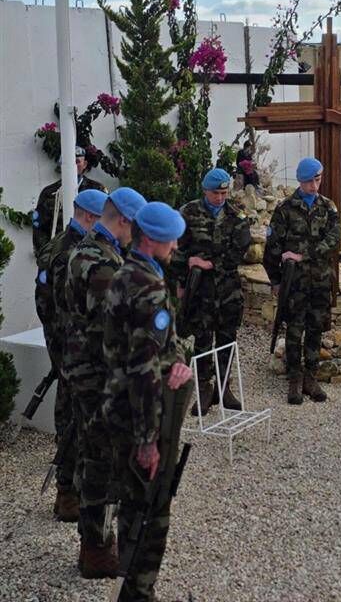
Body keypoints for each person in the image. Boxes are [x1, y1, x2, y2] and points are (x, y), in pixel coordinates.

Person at [103, 201, 192, 602]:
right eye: (172, 238)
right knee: (151, 511)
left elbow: (144, 353)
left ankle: (136, 586)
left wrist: (174, 360)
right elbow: (142, 369)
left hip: (119, 405)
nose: (175, 245)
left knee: (133, 501)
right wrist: (148, 439)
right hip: (141, 414)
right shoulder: (151, 289)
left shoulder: (126, 272)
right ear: (154, 240)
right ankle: (139, 592)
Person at [64, 187, 146, 578]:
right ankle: (95, 547)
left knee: (98, 454)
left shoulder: (104, 253)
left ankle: (97, 539)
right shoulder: (97, 263)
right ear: (124, 221)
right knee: (99, 458)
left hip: (97, 369)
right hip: (94, 375)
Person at [34, 188, 107, 521]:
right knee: (72, 416)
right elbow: (64, 306)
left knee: (74, 413)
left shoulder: (58, 244)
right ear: (90, 217)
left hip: (64, 344)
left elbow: (44, 304)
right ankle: (67, 492)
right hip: (71, 348)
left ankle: (72, 488)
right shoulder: (71, 252)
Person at [171, 168, 251, 416]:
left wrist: (211, 263)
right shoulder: (188, 213)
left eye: (224, 192)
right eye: (216, 193)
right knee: (203, 341)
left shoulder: (236, 216)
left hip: (227, 290)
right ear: (205, 190)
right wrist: (182, 281)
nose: (220, 197)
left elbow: (240, 252)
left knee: (227, 339)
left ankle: (224, 388)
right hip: (200, 290)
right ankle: (204, 390)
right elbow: (177, 249)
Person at [263, 157, 340, 405]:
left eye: (317, 180)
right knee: (295, 329)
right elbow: (272, 249)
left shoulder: (329, 208)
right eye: (309, 182)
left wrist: (302, 254)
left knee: (316, 328)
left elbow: (332, 241)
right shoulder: (285, 209)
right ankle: (294, 376)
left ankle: (311, 376)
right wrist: (275, 280)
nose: (314, 186)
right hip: (294, 283)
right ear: (299, 181)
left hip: (320, 280)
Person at [32, 145, 107, 259]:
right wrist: (46, 256)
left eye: (77, 161)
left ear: (85, 164)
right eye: (69, 162)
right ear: (61, 166)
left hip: (91, 256)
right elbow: (40, 229)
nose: (74, 166)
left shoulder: (97, 190)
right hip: (58, 256)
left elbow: (106, 222)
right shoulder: (50, 193)